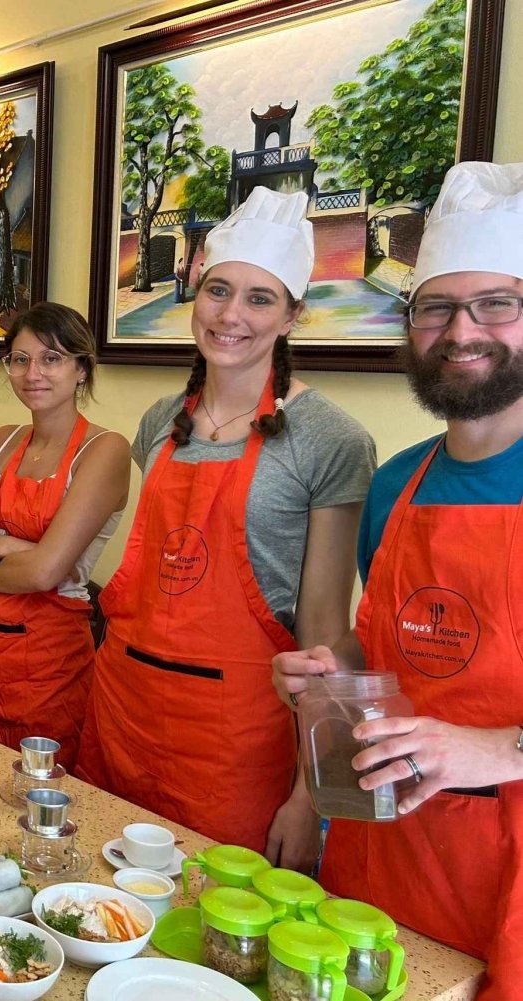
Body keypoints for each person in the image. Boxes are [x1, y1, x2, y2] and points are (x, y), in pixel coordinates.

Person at [273, 161, 523, 995]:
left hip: (510, 877)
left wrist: (491, 747)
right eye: (436, 308)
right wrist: (324, 679)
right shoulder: (397, 482)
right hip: (384, 850)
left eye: (496, 304)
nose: (463, 331)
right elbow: (375, 647)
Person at [75, 187, 376, 868]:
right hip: (123, 710)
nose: (230, 314)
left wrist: (310, 796)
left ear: (294, 313)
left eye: (259, 298)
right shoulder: (159, 421)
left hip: (236, 742)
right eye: (218, 290)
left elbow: (324, 633)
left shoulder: (330, 439)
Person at [0, 303, 129, 765]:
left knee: (37, 805)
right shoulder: (2, 440)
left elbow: (44, 572)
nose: (33, 372)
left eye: (52, 358)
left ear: (81, 368)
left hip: (49, 672)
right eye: (19, 359)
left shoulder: (105, 450)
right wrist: (4, 546)